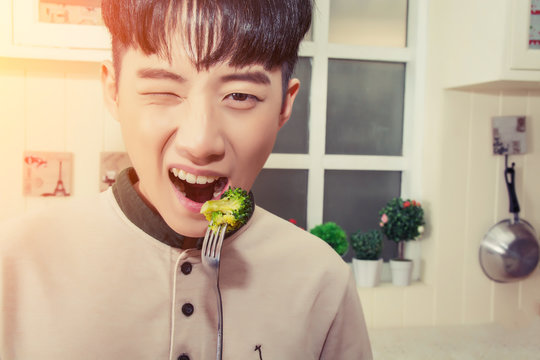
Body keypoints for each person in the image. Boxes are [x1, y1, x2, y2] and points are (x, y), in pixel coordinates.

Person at [0, 0, 373, 359]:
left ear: (284, 105)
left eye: (240, 95)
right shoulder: (14, 262)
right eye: (163, 90)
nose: (200, 142)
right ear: (113, 90)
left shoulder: (323, 279)